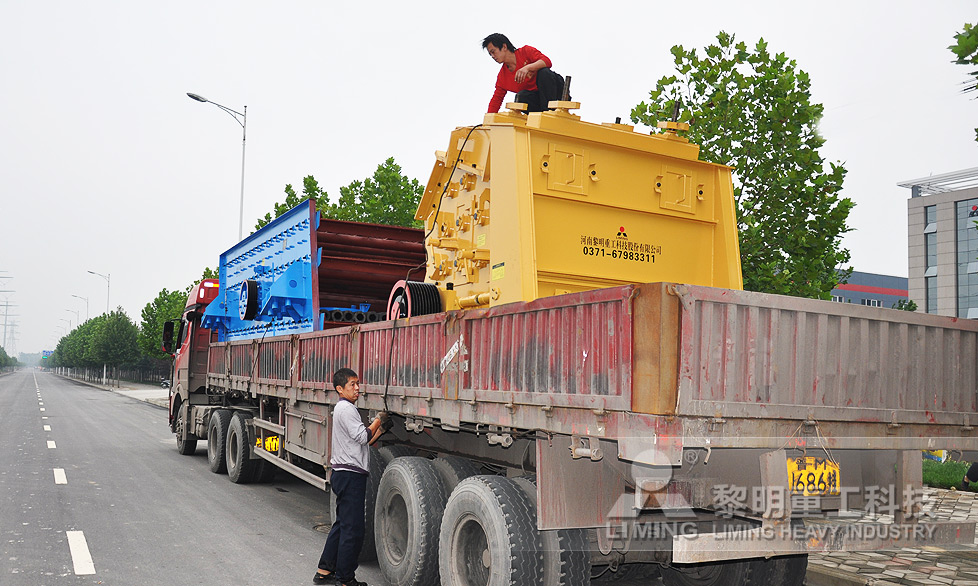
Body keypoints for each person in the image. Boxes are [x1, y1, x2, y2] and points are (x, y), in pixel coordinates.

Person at [314, 368, 386, 586]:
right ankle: (345, 579)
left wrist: (379, 430)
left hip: (344, 473)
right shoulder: (346, 408)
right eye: (352, 385)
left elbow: (364, 442)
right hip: (350, 475)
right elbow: (363, 436)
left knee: (342, 525)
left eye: (357, 383)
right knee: (353, 530)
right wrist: (377, 420)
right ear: (340, 389)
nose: (357, 388)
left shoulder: (345, 408)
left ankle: (324, 571)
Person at [483, 33, 566, 114]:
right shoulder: (502, 77)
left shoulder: (525, 52)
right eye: (490, 54)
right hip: (538, 102)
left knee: (544, 72)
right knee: (521, 97)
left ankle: (549, 112)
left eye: (493, 52)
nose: (492, 56)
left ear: (504, 47)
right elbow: (496, 99)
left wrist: (528, 67)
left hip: (555, 94)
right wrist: (488, 121)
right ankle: (541, 115)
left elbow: (547, 61)